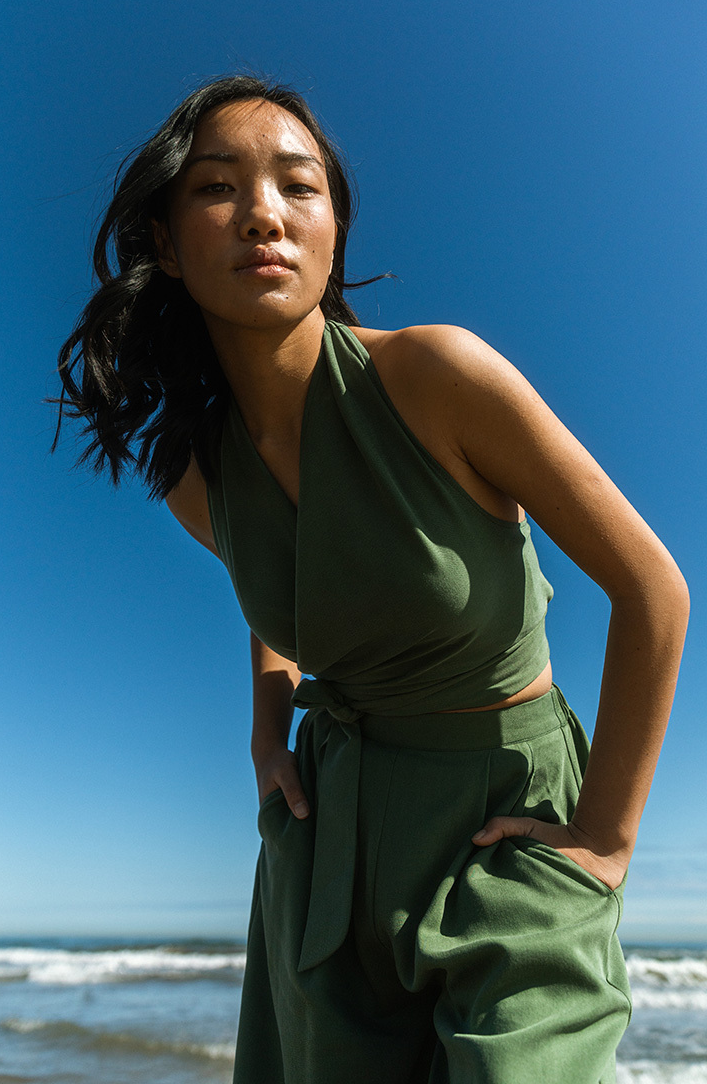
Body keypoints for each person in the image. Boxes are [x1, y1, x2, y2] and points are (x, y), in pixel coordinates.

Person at [54, 75, 689, 1084]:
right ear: (167, 245)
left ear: (332, 229)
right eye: (217, 187)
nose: (264, 212)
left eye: (297, 186)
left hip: (504, 815)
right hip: (330, 838)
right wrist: (267, 729)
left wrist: (606, 842)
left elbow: (652, 589)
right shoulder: (193, 472)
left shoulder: (438, 378)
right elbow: (286, 598)